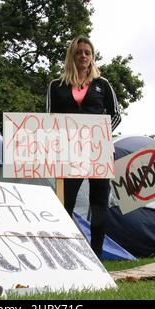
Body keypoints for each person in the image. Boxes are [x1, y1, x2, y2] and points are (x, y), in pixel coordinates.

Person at [46, 35, 121, 258]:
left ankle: (96, 256)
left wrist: (100, 136)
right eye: (79, 52)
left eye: (87, 53)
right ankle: (66, 254)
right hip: (69, 153)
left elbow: (115, 115)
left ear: (93, 57)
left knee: (99, 204)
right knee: (65, 203)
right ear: (72, 55)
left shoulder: (103, 84)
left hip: (98, 152)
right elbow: (49, 119)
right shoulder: (56, 86)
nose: (83, 56)